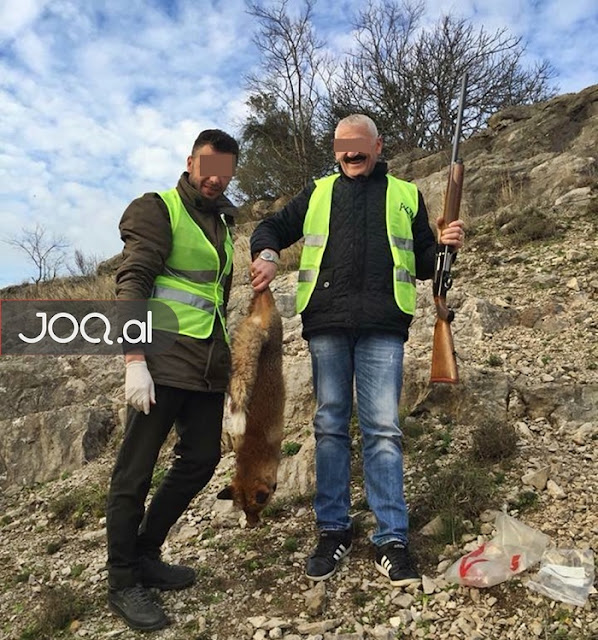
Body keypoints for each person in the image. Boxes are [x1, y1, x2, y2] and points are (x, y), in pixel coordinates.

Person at [249, 114, 464, 587]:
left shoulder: (406, 194)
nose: (350, 153)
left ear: (377, 145)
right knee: (329, 426)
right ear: (335, 150)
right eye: (341, 146)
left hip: (384, 326)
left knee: (383, 430)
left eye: (359, 145)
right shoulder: (318, 192)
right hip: (325, 322)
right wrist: (266, 254)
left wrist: (447, 246)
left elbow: (427, 264)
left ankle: (392, 539)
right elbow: (272, 227)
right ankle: (332, 530)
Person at [105, 129, 239, 631]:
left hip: (205, 369)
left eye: (225, 173)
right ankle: (122, 581)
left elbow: (213, 302)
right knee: (134, 473)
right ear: (190, 161)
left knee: (202, 459)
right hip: (158, 362)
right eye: (208, 168)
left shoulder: (223, 221)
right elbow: (134, 280)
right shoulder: (157, 208)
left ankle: (145, 554)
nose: (214, 179)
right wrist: (133, 359)